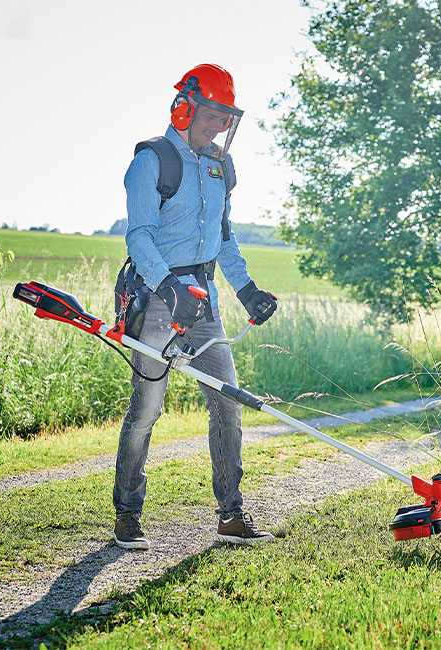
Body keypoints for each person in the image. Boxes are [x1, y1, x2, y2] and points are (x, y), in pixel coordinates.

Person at [112, 63, 279, 548]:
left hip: (205, 303)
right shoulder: (153, 161)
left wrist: (247, 289)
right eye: (212, 115)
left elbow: (223, 239)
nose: (219, 126)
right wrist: (169, 288)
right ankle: (127, 514)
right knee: (146, 410)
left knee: (227, 404)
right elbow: (139, 236)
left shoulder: (217, 167)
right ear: (184, 108)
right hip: (159, 298)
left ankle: (231, 515)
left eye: (226, 118)